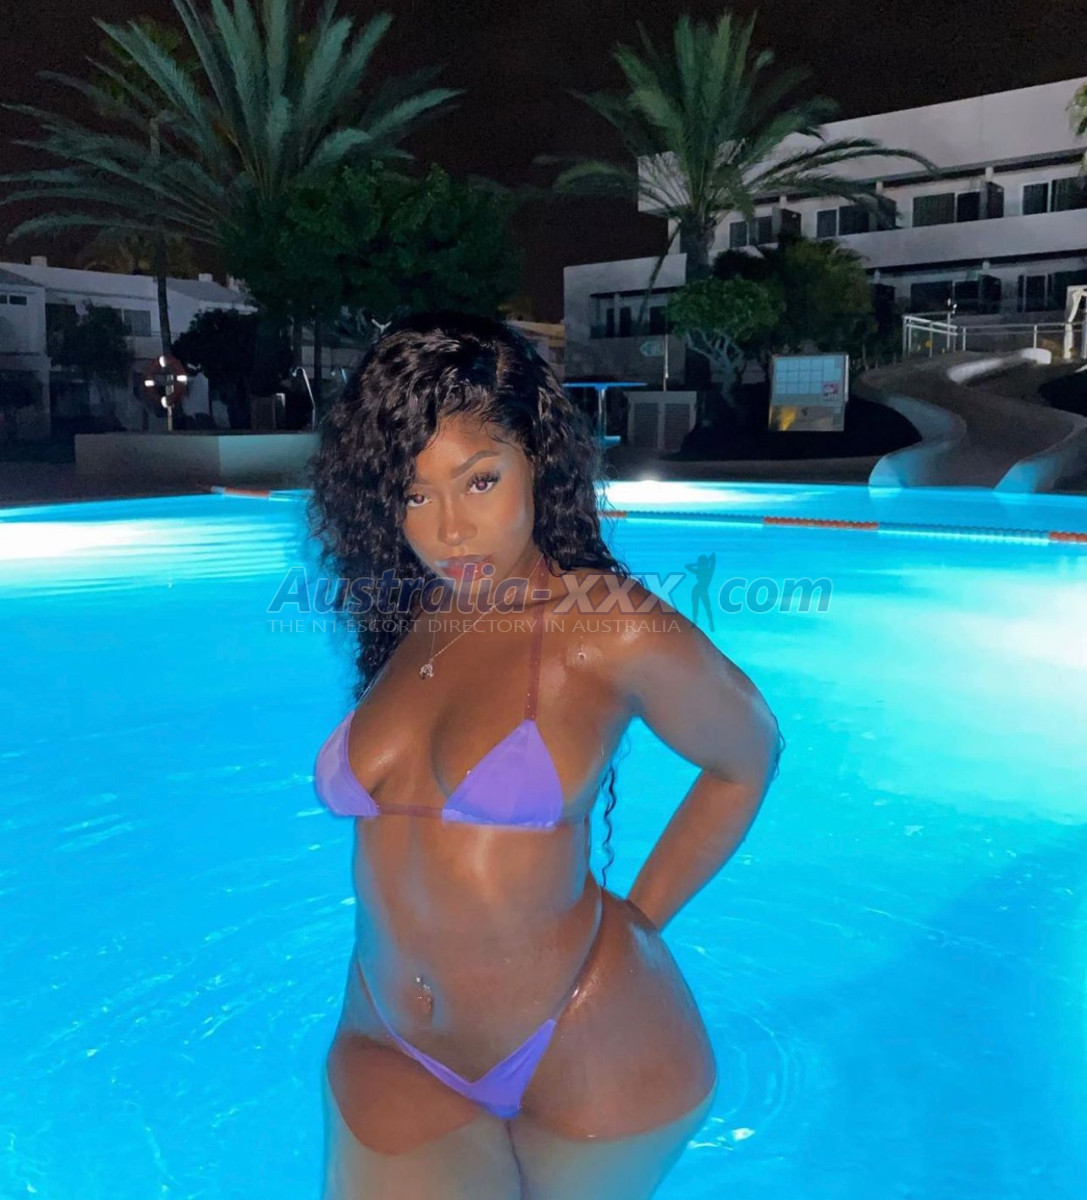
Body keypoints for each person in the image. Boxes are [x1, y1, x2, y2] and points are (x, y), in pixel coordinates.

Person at [305, 310, 784, 1199]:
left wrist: (640, 920)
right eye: (414, 494)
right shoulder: (410, 615)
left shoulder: (602, 624)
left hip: (584, 1041)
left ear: (537, 460)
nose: (449, 530)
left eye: (479, 481)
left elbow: (747, 755)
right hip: (386, 1038)